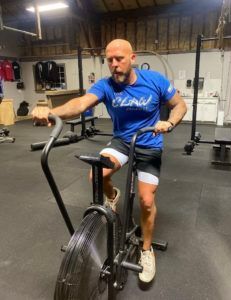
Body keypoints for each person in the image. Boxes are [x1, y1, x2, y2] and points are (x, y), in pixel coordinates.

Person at [32, 39, 187, 283]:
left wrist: (169, 122)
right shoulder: (105, 86)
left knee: (147, 201)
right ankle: (113, 196)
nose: (114, 65)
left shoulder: (155, 80)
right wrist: (51, 112)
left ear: (132, 58)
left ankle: (146, 250)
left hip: (149, 143)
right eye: (110, 60)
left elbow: (179, 105)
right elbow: (80, 104)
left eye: (119, 59)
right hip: (122, 142)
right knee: (96, 175)